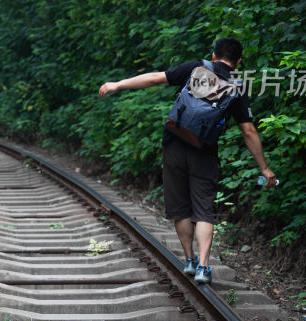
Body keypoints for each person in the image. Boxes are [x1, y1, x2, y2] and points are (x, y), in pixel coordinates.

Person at [98, 37, 277, 284]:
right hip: (204, 151)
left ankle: (189, 260)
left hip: (174, 144)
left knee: (181, 208)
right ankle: (204, 266)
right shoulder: (237, 86)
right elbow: (249, 131)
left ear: (213, 55)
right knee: (204, 209)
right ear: (238, 61)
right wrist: (264, 168)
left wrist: (117, 84)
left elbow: (153, 78)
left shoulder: (194, 68)